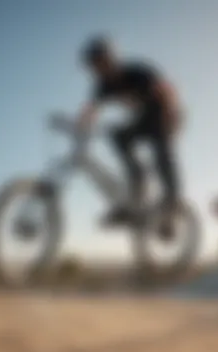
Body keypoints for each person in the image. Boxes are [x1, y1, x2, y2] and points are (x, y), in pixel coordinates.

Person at [76, 35, 183, 239]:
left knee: (162, 153)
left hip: (164, 113)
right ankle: (138, 176)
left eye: (101, 63)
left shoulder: (136, 72)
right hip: (143, 119)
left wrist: (171, 115)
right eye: (94, 67)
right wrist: (76, 126)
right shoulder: (102, 86)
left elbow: (167, 90)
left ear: (111, 59)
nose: (98, 70)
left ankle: (172, 202)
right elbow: (91, 110)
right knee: (117, 135)